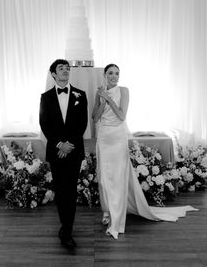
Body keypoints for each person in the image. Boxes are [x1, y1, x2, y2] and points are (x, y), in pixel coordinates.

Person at [92, 63, 198, 240]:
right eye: (110, 73)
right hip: (103, 138)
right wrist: (102, 101)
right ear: (104, 74)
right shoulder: (99, 91)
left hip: (118, 138)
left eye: (117, 73)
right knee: (104, 177)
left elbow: (121, 115)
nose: (114, 76)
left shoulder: (124, 91)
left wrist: (108, 99)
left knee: (117, 177)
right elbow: (95, 117)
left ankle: (116, 220)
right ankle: (108, 211)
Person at [39, 59, 88, 249]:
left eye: (67, 68)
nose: (66, 71)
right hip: (56, 151)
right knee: (60, 191)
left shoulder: (80, 95)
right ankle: (65, 226)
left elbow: (82, 123)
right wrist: (60, 144)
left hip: (74, 151)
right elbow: (45, 124)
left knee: (71, 189)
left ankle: (67, 230)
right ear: (53, 74)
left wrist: (69, 145)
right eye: (61, 68)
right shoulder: (46, 97)